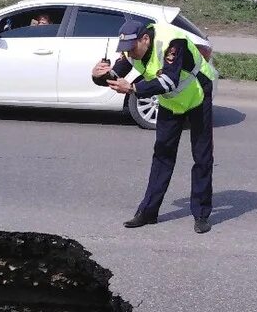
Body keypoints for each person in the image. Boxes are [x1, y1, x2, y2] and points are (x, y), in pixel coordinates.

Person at [92, 18, 216, 234]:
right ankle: (148, 212)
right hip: (170, 101)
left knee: (202, 156)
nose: (129, 54)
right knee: (162, 155)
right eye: (126, 50)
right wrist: (99, 76)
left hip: (197, 94)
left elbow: (169, 80)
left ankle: (201, 214)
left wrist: (132, 88)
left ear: (145, 39)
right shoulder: (133, 48)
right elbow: (117, 74)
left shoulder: (172, 43)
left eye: (132, 49)